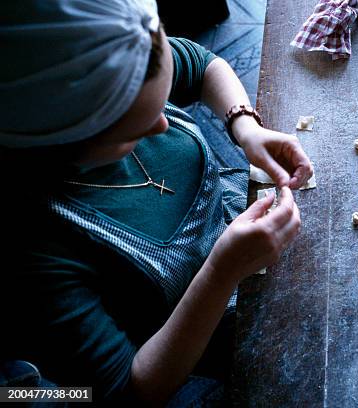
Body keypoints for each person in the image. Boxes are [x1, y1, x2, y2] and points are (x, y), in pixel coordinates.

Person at [0, 0, 312, 405]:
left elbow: (202, 65)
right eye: (135, 132)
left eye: (163, 99)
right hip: (194, 336)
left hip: (235, 225)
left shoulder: (128, 61)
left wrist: (244, 126)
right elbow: (129, 390)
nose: (164, 123)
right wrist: (222, 270)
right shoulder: (37, 252)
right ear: (61, 144)